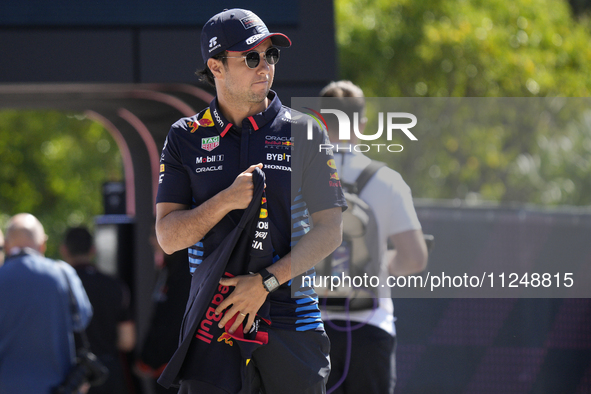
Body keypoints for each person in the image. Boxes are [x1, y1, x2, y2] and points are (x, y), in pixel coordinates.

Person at [155, 8, 347, 394]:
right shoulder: (185, 136)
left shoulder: (305, 131)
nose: (265, 67)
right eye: (252, 57)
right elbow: (169, 237)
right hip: (213, 323)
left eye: (271, 55)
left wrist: (264, 283)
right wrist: (224, 200)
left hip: (291, 321)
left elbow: (331, 231)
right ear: (216, 66)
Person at [318, 80, 429, 394]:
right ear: (362, 125)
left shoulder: (297, 178)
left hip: (310, 330)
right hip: (370, 328)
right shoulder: (388, 181)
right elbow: (415, 258)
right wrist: (376, 265)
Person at [0, 213, 93, 394]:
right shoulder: (64, 274)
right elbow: (82, 319)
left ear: (8, 245)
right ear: (43, 244)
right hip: (56, 387)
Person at [60, 226, 136, 394]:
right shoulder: (115, 286)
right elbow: (127, 341)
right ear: (93, 250)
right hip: (108, 373)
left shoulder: (59, 287)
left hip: (71, 375)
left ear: (64, 250)